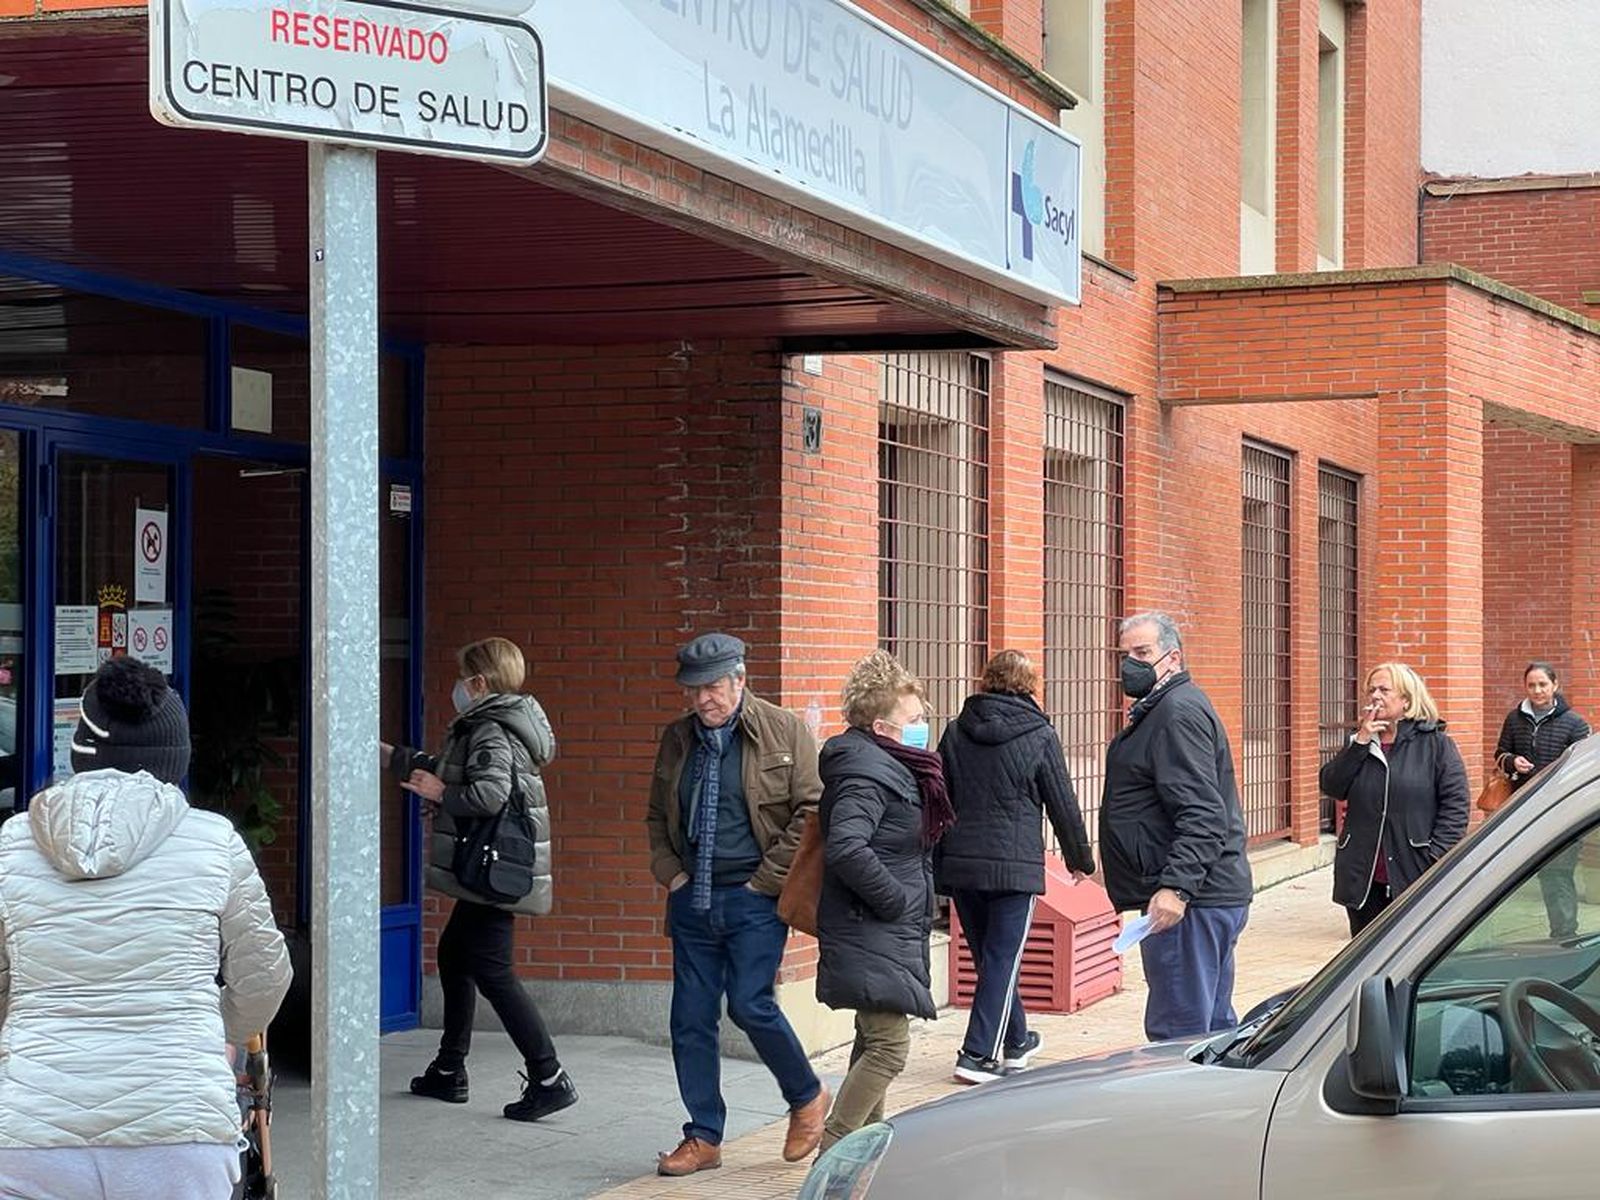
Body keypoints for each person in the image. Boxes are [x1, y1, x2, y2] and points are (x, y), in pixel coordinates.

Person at [0, 656, 291, 1199]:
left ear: (79, 751)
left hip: (31, 1129)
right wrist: (214, 1032)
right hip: (179, 1129)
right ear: (174, 757)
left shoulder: (13, 843)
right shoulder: (214, 841)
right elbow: (266, 974)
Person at [646, 632, 829, 1177]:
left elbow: (811, 811)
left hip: (753, 899)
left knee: (750, 1005)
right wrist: (672, 876)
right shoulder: (677, 739)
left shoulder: (782, 730)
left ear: (740, 680)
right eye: (695, 689)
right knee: (690, 1018)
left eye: (715, 686)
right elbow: (657, 816)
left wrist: (763, 883)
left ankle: (806, 1096)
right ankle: (703, 1136)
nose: (705, 699)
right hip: (693, 900)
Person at [387, 636, 574, 1122]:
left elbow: (488, 794)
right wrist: (396, 758)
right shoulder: (500, 722)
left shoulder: (490, 727)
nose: (458, 686)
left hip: (493, 868)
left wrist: (441, 791)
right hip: (493, 865)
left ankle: (548, 1077)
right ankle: (449, 1069)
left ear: (479, 682)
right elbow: (457, 770)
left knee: (492, 970)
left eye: (463, 676)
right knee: (455, 955)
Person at [816, 650, 954, 1151]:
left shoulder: (888, 765)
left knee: (871, 1042)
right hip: (870, 925)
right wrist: (894, 901)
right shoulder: (867, 774)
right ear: (881, 726)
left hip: (877, 929)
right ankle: (833, 1152)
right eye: (915, 721)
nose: (924, 728)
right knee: (889, 1049)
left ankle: (862, 1157)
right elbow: (847, 847)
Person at [936, 649, 1095, 1084]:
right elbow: (1061, 800)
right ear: (1030, 687)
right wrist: (1080, 859)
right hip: (1012, 867)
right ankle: (976, 1055)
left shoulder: (955, 731)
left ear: (985, 681)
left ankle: (1017, 1041)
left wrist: (938, 863)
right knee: (1002, 960)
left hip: (963, 864)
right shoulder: (1039, 733)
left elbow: (938, 798)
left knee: (992, 961)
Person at [1101, 612, 1253, 1042]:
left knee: (1180, 1037)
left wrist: (1177, 888)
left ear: (1173, 657)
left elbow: (1203, 813)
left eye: (1142, 653)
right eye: (1125, 654)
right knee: (1212, 1031)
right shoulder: (1163, 710)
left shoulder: (1175, 712)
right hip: (1203, 897)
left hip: (1191, 903)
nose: (1130, 663)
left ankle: (1186, 1110)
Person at [1321, 662, 1470, 937]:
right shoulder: (1359, 743)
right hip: (1364, 877)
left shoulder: (1436, 744)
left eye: (1384, 690)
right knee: (1365, 957)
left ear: (1406, 699)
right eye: (1371, 690)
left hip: (1412, 871)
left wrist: (1433, 856)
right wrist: (1361, 742)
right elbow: (1332, 785)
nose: (1375, 696)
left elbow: (1457, 807)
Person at [1494, 661, 1590, 938]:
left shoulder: (1575, 723)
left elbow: (1582, 765)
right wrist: (1512, 762)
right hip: (1523, 807)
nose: (1537, 690)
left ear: (1555, 686)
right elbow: (1500, 752)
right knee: (1528, 871)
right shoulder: (1514, 719)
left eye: (1543, 685)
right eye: (1531, 685)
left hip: (1561, 810)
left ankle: (1564, 935)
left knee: (1558, 873)